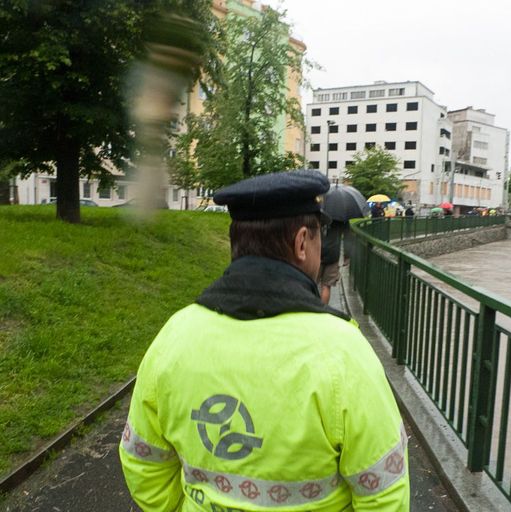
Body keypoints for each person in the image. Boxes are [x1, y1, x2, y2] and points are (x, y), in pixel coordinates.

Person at [119, 170, 409, 512]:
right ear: (302, 242)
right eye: (320, 236)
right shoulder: (343, 353)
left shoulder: (175, 336)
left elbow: (143, 461)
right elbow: (384, 493)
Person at [318, 219, 347, 305]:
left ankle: (311, 307)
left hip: (317, 251)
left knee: (312, 283)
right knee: (326, 285)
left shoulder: (319, 214)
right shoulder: (340, 217)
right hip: (333, 253)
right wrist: (346, 257)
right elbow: (347, 235)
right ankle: (322, 311)